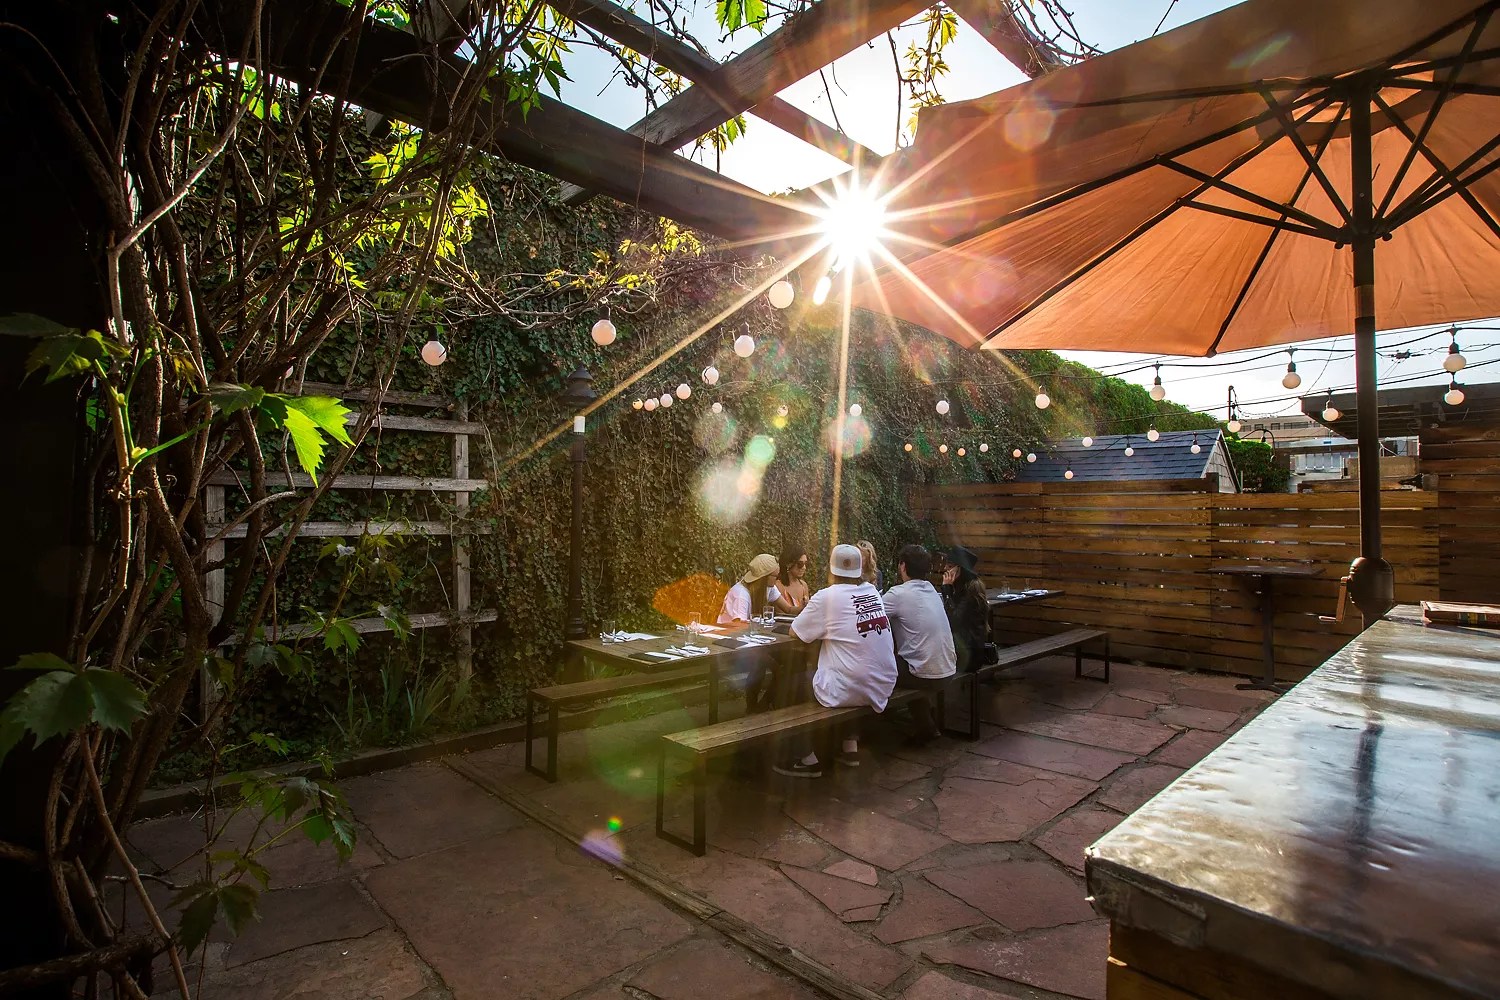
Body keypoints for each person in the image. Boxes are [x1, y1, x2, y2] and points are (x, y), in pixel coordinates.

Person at [774, 544, 898, 777]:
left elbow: (796, 632)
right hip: (882, 684)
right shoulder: (872, 592)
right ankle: (848, 746)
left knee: (788, 685)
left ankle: (805, 758)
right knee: (847, 670)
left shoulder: (827, 597)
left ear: (831, 570)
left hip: (850, 687)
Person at [883, 544, 956, 744]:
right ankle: (926, 726)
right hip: (948, 670)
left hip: (925, 675)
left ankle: (863, 730)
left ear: (903, 566)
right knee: (914, 659)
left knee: (879, 665)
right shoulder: (931, 590)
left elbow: (869, 618)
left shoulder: (897, 594)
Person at [941, 545, 991, 673]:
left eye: (950, 565)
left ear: (960, 569)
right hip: (966, 649)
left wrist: (947, 591)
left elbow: (953, 622)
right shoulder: (961, 586)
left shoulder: (971, 591)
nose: (945, 568)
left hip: (969, 656)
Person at [718, 553, 783, 625]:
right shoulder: (741, 595)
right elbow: (739, 626)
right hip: (728, 632)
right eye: (776, 576)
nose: (778, 580)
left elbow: (788, 609)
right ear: (764, 578)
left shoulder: (768, 587)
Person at [778, 544, 812, 612]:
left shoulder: (803, 585)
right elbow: (780, 613)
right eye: (800, 564)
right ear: (788, 564)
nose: (804, 568)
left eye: (806, 564)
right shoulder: (778, 586)